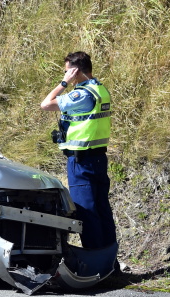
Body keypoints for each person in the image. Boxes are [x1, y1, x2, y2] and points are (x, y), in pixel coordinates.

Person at [39, 51, 117, 250]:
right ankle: (110, 262)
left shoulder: (81, 94)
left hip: (81, 162)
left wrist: (63, 83)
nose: (66, 75)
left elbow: (46, 104)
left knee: (86, 212)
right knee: (102, 210)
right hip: (98, 158)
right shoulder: (100, 89)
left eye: (68, 72)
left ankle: (95, 262)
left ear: (76, 71)